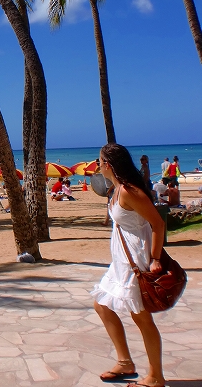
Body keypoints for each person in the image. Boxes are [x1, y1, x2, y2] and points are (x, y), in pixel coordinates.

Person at [91, 143, 166, 387]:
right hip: (121, 262)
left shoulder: (128, 191)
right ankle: (125, 362)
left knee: (141, 317)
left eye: (99, 161)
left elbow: (158, 224)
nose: (98, 165)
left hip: (136, 260)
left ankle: (155, 376)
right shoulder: (116, 189)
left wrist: (155, 258)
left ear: (108, 164)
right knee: (102, 304)